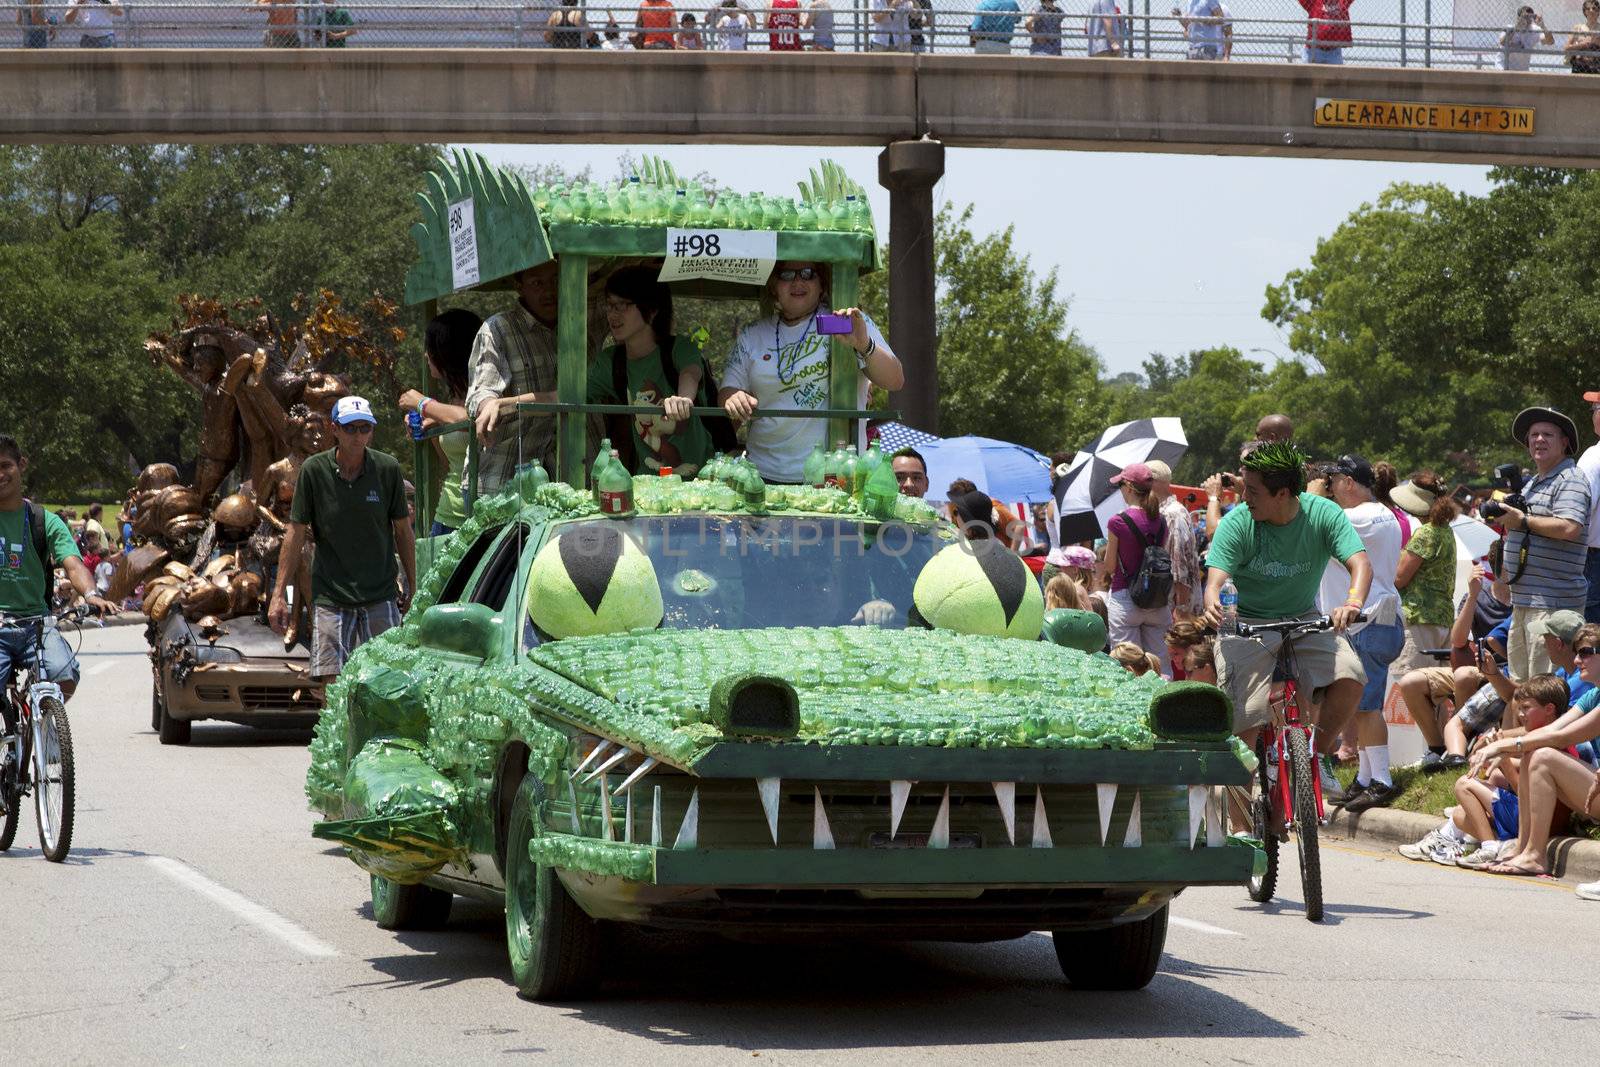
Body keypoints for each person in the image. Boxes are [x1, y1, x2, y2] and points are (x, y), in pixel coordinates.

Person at [1202, 441, 1371, 782]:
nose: (1244, 497)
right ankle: (1242, 827)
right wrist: (1211, 602)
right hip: (1245, 624)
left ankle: (1317, 758)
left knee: (1351, 677)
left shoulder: (1323, 514)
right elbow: (1214, 582)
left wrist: (1353, 602)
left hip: (1303, 619)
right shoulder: (1238, 523)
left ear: (1282, 494)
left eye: (1253, 491)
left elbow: (1360, 563)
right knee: (1246, 721)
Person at [269, 397, 416, 683]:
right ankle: (335, 729)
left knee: (386, 681)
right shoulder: (314, 470)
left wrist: (412, 584)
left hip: (380, 594)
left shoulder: (387, 469)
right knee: (330, 684)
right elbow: (295, 532)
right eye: (351, 429)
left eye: (365, 428)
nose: (358, 436)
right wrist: (278, 596)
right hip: (331, 596)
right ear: (334, 429)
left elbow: (402, 531)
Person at [719, 262, 904, 484]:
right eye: (786, 274)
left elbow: (895, 380)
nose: (798, 281)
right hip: (761, 476)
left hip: (833, 478)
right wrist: (733, 397)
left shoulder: (847, 322)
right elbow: (728, 389)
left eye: (808, 274)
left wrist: (864, 344)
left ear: (821, 284)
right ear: (773, 286)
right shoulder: (753, 334)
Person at [465, 259, 605, 495]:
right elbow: (482, 391)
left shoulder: (585, 319)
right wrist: (488, 404)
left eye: (555, 280)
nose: (548, 290)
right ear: (519, 286)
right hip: (508, 481)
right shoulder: (499, 328)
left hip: (579, 479)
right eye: (537, 283)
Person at [0, 437, 118, 705]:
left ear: (22, 465)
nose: (1, 474)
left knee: (65, 675)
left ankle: (42, 724)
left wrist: (90, 594)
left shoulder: (44, 521)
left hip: (37, 625)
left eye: (6, 465)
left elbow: (73, 564)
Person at [1320, 455, 1407, 812]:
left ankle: (1382, 781)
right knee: (1359, 707)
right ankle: (1366, 778)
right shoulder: (1376, 514)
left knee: (1368, 708)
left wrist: (1309, 493)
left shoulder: (1362, 516)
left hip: (1371, 621)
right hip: (1369, 622)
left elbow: (1311, 520)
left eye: (1333, 481)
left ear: (1349, 483)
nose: (1330, 488)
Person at [1468, 653, 1600, 882]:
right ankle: (1524, 848)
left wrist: (1502, 746)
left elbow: (1561, 737)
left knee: (1544, 757)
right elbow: (1548, 732)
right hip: (1593, 789)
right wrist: (1502, 746)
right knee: (1534, 755)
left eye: (1587, 652)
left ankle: (1536, 855)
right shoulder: (1593, 696)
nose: (1577, 660)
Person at [587, 266, 715, 477]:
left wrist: (682, 400)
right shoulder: (610, 361)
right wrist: (517, 403)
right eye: (610, 305)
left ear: (652, 309)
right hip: (648, 484)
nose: (613, 314)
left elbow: (690, 373)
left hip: (701, 483)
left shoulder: (679, 348)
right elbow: (565, 396)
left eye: (622, 305)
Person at [1494, 407, 1591, 681]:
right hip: (1526, 602)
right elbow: (1517, 533)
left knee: (1545, 690)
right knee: (1523, 689)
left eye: (1547, 434)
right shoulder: (1532, 483)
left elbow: (1570, 527)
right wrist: (1503, 579)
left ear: (1565, 443)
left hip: (1552, 606)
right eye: (1533, 435)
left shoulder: (1570, 479)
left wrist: (1523, 520)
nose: (1538, 440)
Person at [399, 308, 482, 537]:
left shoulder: (485, 393)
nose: (426, 356)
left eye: (430, 348)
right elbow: (450, 465)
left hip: (479, 521)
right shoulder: (452, 399)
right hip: (446, 517)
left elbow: (473, 416)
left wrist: (424, 404)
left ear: (447, 351)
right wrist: (433, 427)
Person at [1096, 462, 1171, 661]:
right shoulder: (1161, 520)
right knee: (1160, 663)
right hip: (1157, 599)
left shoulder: (1118, 521)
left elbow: (1110, 567)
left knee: (1128, 663)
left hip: (1126, 598)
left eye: (1121, 485)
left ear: (1128, 487)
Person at [1391, 471, 1460, 681]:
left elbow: (1399, 578)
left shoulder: (1426, 532)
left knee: (1407, 686)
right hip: (1443, 619)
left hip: (1419, 619)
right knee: (1435, 694)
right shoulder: (1445, 530)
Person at [1147, 460, 1200, 618]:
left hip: (1174, 604)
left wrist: (1181, 609)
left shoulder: (1172, 513)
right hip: (1167, 602)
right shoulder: (1164, 511)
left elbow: (1179, 566)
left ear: (1154, 482)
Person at [1578, 389, 1600, 624]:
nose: (1592, 414)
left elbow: (1578, 514)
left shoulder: (1594, 457)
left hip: (1594, 561)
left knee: (1590, 643)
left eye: (1595, 408)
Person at [1501, 5, 1553, 70]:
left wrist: (1542, 26)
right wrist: (1516, 27)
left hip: (1522, 69)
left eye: (1530, 17)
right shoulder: (1510, 28)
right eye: (1525, 17)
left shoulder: (1534, 30)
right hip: (1504, 67)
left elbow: (1550, 41)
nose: (1527, 20)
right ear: (1518, 18)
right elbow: (1503, 42)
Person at [1568, 0, 1600, 73]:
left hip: (1597, 67)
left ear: (1598, 12)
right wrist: (1582, 44)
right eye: (1588, 9)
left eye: (1594, 8)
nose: (1591, 11)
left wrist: (1596, 42)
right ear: (1584, 12)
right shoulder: (1577, 28)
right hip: (1579, 66)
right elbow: (1567, 48)